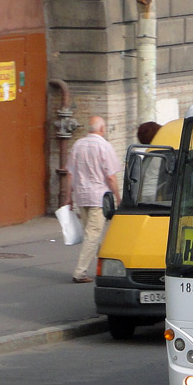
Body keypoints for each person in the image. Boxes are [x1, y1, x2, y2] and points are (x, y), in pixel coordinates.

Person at [64, 116, 121, 283]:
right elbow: (111, 177)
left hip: (81, 196)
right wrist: (118, 198)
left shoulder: (77, 145)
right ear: (102, 129)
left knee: (91, 235)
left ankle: (106, 268)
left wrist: (68, 197)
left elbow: (70, 173)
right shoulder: (105, 147)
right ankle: (80, 272)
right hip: (98, 197)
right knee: (93, 235)